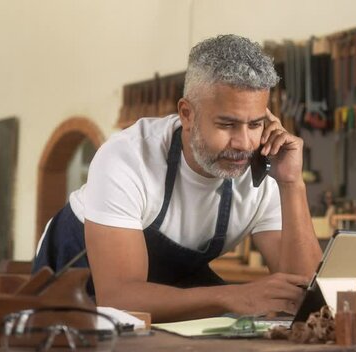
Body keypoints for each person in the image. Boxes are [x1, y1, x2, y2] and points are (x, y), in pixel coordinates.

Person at [33, 34, 322, 323]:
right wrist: (233, 296)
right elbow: (119, 299)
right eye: (227, 124)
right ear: (187, 114)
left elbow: (306, 296)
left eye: (255, 124)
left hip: (169, 288)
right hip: (79, 287)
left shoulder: (265, 171)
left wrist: (291, 184)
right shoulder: (126, 158)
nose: (244, 143)